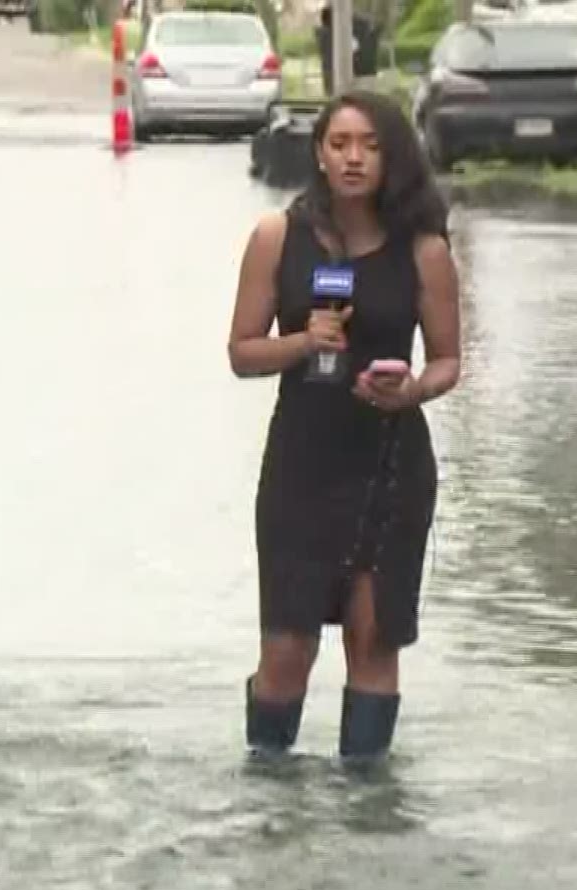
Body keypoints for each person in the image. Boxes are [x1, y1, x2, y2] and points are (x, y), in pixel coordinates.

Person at [225, 90, 463, 761]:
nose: (354, 158)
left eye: (370, 145)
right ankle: (270, 800)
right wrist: (303, 342)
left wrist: (410, 389)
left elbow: (448, 360)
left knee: (372, 637)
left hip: (389, 463)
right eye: (339, 145)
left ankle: (366, 815)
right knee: (288, 647)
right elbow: (242, 352)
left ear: (393, 157)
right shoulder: (279, 237)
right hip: (302, 464)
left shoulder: (423, 250)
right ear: (320, 156)